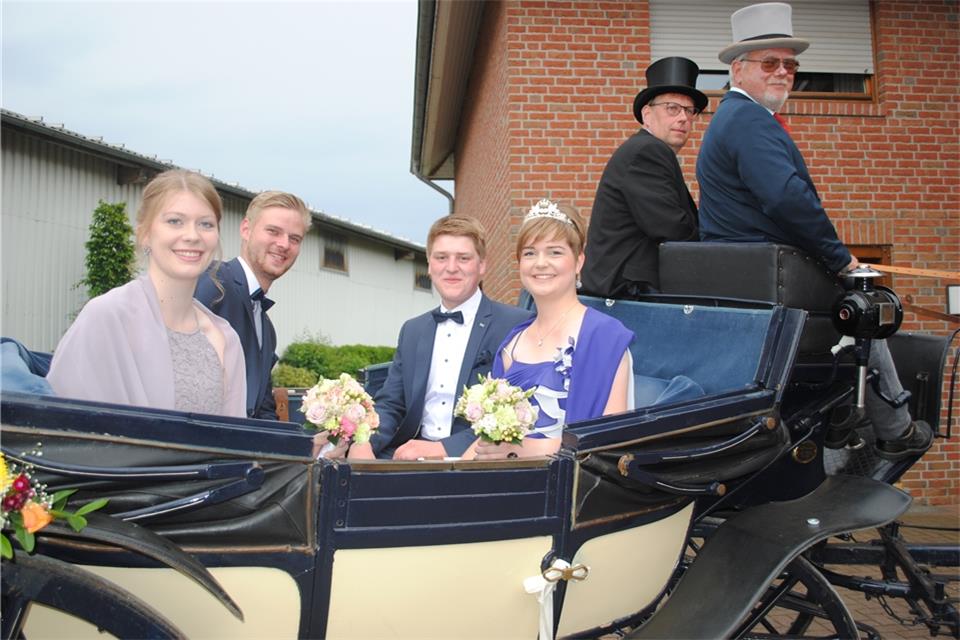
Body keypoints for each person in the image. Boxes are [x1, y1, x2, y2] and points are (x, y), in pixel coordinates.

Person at [696, 1, 933, 460]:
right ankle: (895, 426)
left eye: (790, 63)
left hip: (756, 272)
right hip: (770, 275)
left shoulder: (735, 119)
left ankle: (846, 420)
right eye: (770, 63)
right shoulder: (747, 120)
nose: (783, 72)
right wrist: (842, 258)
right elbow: (786, 198)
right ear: (738, 70)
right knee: (864, 308)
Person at [48, 170, 246, 416]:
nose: (192, 236)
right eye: (175, 221)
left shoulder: (225, 338)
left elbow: (235, 440)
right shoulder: (107, 317)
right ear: (144, 233)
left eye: (206, 224)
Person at [347, 215, 532, 460]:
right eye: (441, 257)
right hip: (407, 455)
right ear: (429, 264)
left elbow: (520, 409)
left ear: (482, 265)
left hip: (475, 459)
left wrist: (442, 449)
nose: (451, 267)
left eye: (463, 258)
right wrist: (364, 441)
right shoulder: (412, 330)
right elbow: (391, 403)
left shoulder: (516, 324)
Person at [472, 200, 634, 460]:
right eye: (529, 253)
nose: (540, 263)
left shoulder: (604, 337)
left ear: (579, 261)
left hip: (574, 488)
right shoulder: (511, 344)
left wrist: (526, 448)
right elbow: (488, 441)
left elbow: (612, 440)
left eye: (555, 252)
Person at [580, 56, 707, 299]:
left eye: (690, 111)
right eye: (672, 108)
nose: (683, 118)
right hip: (628, 292)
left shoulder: (646, 150)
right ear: (647, 114)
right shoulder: (647, 151)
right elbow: (672, 227)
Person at [195, 191, 309, 420]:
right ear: (246, 229)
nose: (284, 244)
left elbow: (262, 410)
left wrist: (305, 445)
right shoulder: (213, 285)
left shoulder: (266, 328)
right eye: (273, 231)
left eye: (294, 238)